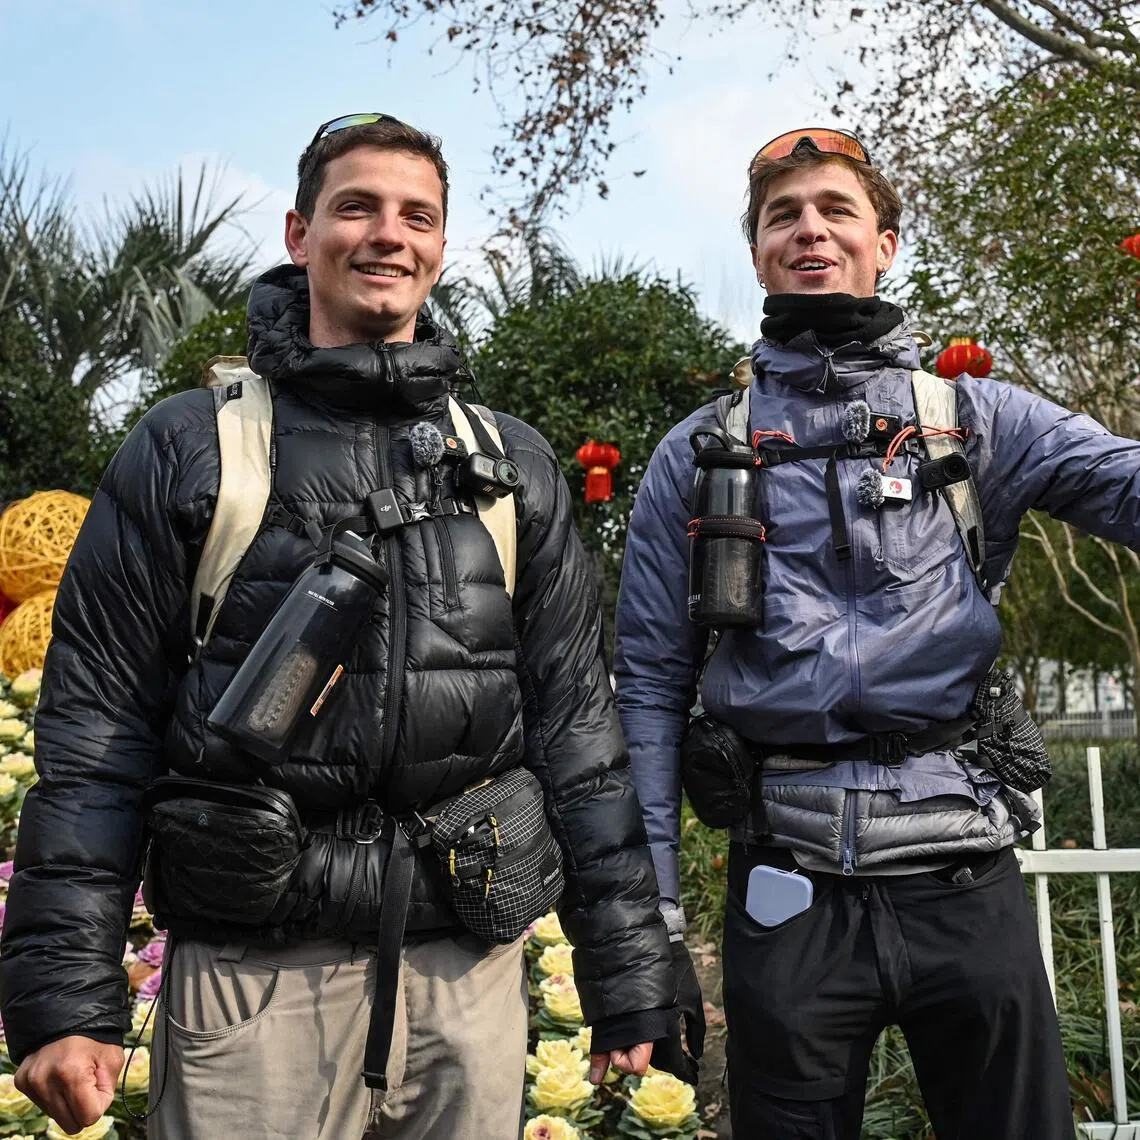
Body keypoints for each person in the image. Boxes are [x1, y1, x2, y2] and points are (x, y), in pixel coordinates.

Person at [0, 114, 680, 1139]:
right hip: (252, 983)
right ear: (298, 231)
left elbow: (580, 734)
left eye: (418, 215)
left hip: (467, 982)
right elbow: (98, 733)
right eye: (356, 206)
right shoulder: (191, 451)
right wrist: (64, 996)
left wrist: (629, 972)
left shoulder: (511, 467)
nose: (387, 235)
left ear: (441, 247)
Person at [614, 126, 1140, 1139]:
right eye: (782, 217)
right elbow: (646, 687)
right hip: (787, 891)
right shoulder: (698, 455)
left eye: (834, 210)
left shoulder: (974, 421)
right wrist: (658, 924)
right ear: (760, 250)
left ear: (885, 241)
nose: (808, 230)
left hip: (966, 881)